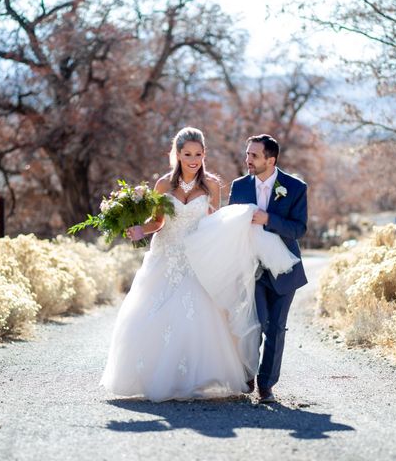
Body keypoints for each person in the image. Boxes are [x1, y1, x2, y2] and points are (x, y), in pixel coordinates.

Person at [100, 127, 298, 402]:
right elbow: (158, 222)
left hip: (197, 258)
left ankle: (193, 377)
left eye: (198, 154)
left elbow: (215, 224)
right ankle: (158, 377)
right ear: (177, 154)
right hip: (165, 256)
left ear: (204, 154)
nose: (193, 159)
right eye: (187, 154)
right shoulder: (163, 185)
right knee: (156, 314)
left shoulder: (213, 186)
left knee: (197, 317)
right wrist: (139, 231)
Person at [229, 134, 308, 403]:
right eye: (247, 153)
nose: (247, 159)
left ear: (270, 160)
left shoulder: (295, 188)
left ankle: (266, 385)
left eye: (254, 155)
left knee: (276, 328)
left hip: (284, 269)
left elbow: (299, 229)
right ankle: (248, 372)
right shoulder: (238, 187)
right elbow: (230, 226)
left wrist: (269, 219)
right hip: (251, 268)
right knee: (254, 324)